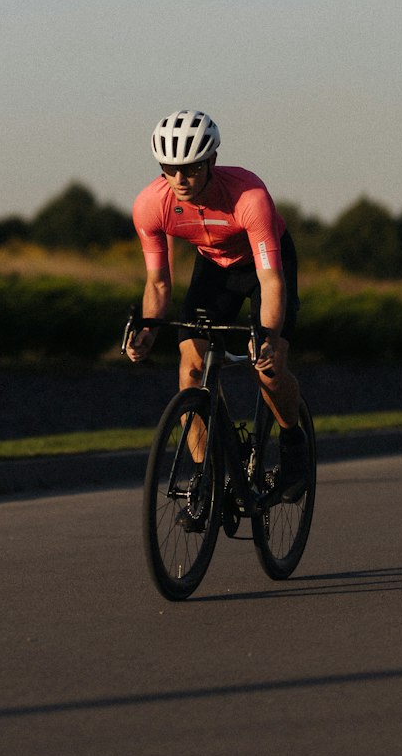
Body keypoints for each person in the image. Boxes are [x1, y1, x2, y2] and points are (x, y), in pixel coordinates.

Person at [125, 109, 307, 501]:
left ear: (211, 162)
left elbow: (271, 281)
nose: (179, 179)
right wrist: (146, 330)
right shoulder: (150, 205)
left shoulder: (249, 196)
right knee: (191, 368)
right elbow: (158, 282)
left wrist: (268, 338)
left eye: (190, 169)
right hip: (214, 268)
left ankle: (294, 443)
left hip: (265, 267)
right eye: (169, 168)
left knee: (268, 368)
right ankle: (208, 479)